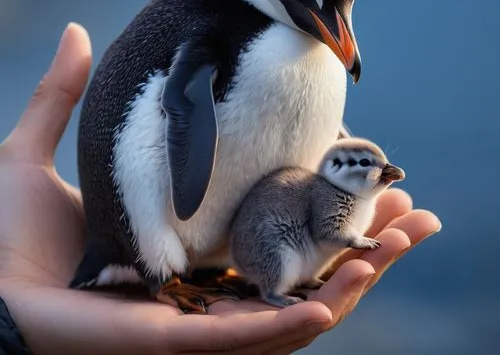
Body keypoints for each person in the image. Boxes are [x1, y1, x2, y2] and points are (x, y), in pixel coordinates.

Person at [0, 23, 441, 354]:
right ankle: (162, 273)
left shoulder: (306, 49)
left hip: (219, 245)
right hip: (133, 245)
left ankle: (216, 264)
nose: (340, 34)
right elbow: (185, 109)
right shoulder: (213, 38)